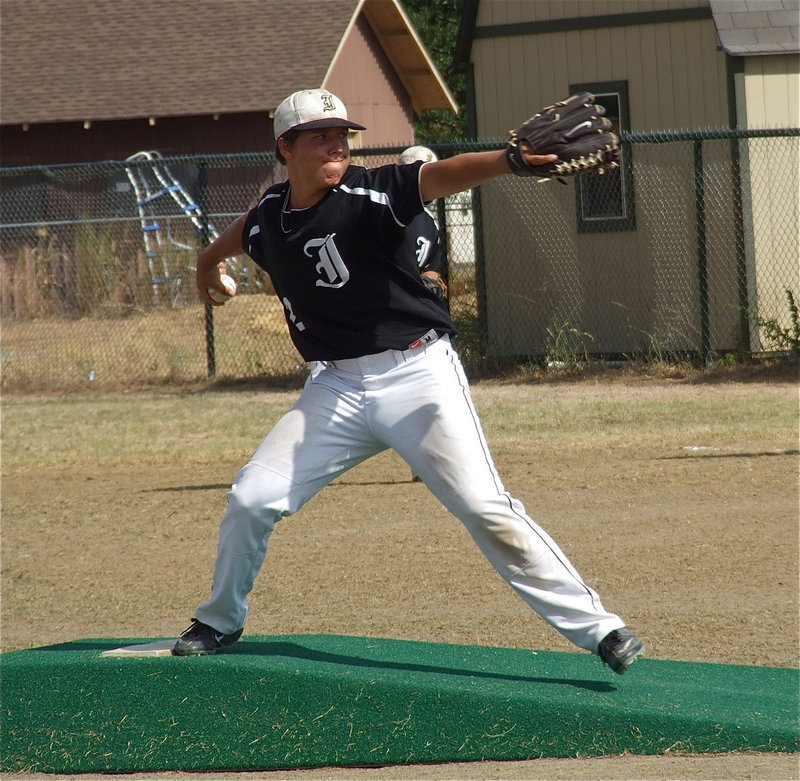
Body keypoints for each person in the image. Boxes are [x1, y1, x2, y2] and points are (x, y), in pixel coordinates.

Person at [174, 89, 644, 674]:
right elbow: (243, 230)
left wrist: (509, 161)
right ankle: (220, 620)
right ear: (285, 148)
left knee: (484, 507)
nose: (337, 145)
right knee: (251, 497)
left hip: (417, 374)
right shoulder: (272, 212)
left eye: (342, 135)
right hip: (335, 388)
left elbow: (439, 176)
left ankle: (601, 630)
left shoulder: (372, 191)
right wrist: (205, 262)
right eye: (320, 136)